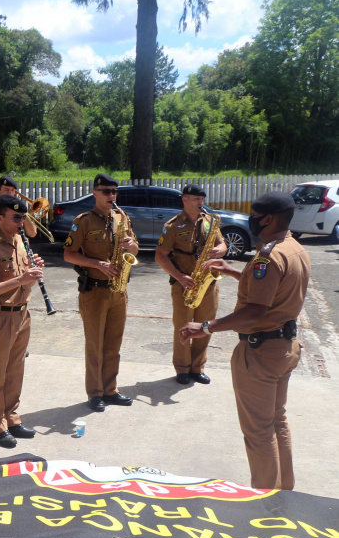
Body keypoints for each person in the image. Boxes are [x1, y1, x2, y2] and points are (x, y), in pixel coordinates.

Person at [181, 192, 310, 490]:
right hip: (286, 347)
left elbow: (255, 311)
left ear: (268, 218)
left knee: (259, 433)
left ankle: (264, 503)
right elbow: (272, 291)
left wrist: (207, 326)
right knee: (277, 422)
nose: (251, 218)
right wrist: (233, 271)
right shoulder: (294, 249)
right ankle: (284, 492)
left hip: (261, 352)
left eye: (255, 213)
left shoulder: (268, 255)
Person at [63, 174, 139, 412]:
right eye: (106, 191)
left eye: (114, 192)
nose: (111, 196)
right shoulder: (83, 221)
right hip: (94, 291)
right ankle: (95, 392)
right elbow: (68, 254)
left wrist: (130, 246)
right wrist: (98, 264)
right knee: (95, 345)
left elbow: (136, 248)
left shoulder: (121, 217)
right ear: (95, 193)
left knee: (113, 345)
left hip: (119, 291)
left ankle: (111, 389)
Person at [0, 195, 44, 448]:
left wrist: (33, 274)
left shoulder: (20, 241)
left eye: (23, 217)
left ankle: (12, 418)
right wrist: (21, 280)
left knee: (16, 371)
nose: (21, 222)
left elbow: (24, 277)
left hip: (23, 313)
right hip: (1, 316)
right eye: (16, 218)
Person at [155, 184, 227, 385]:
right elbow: (160, 256)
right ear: (185, 200)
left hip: (208, 283)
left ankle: (198, 367)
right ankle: (182, 368)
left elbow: (222, 244)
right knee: (183, 327)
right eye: (196, 199)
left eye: (202, 199)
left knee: (205, 326)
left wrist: (219, 251)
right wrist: (179, 276)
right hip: (184, 283)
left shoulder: (210, 222)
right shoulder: (173, 225)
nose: (201, 203)